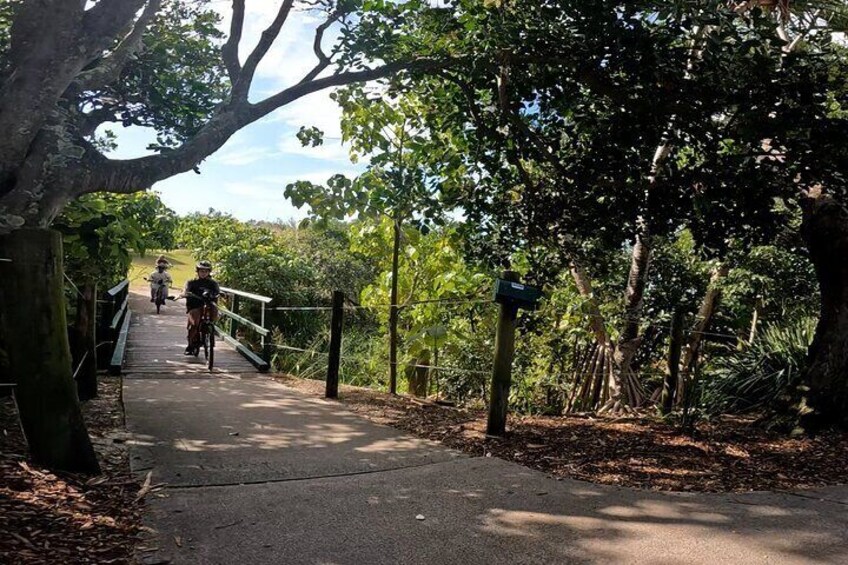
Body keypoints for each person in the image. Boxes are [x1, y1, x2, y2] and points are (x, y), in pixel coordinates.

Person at [182, 260, 220, 355]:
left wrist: (217, 295)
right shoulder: (191, 282)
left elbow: (217, 292)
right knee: (194, 324)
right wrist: (185, 294)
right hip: (195, 305)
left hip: (209, 304)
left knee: (214, 311)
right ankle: (190, 344)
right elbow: (186, 290)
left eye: (206, 271)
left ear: (209, 272)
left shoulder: (213, 283)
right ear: (198, 271)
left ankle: (211, 327)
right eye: (201, 271)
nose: (204, 273)